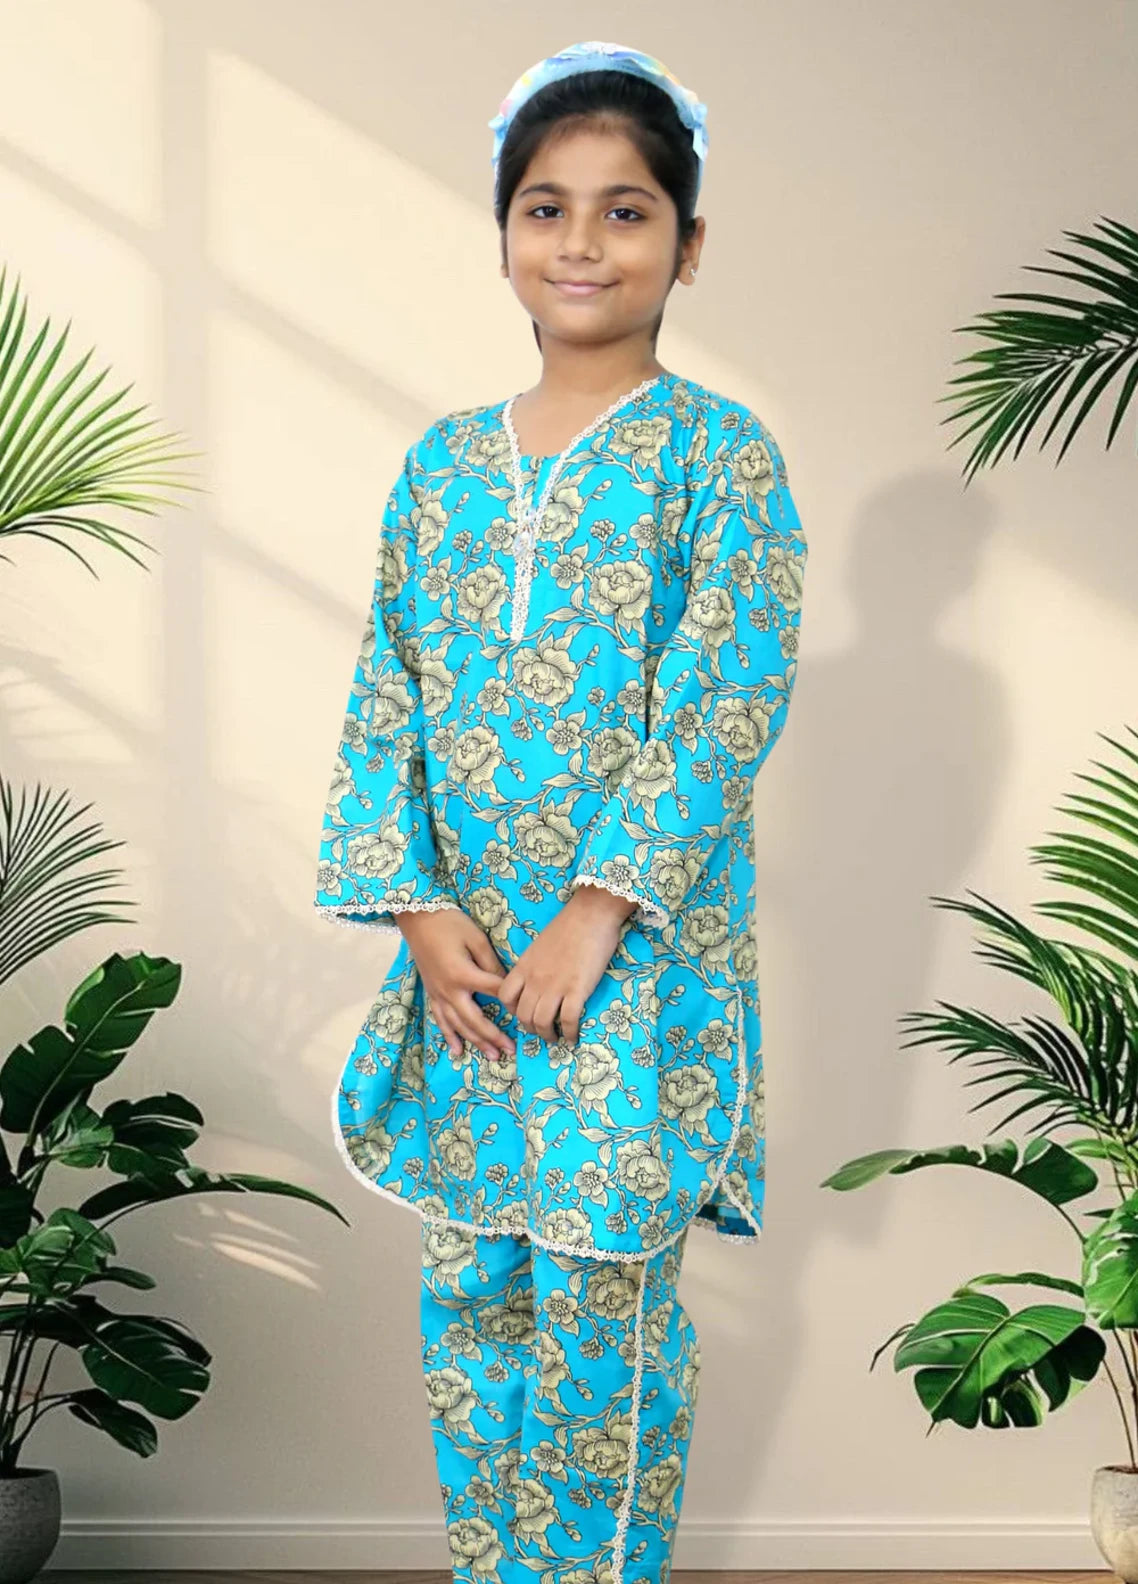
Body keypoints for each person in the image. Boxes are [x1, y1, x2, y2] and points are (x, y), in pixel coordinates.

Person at [315, 39, 808, 1584]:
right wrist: (418, 914)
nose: (581, 242)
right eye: (546, 208)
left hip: (632, 967)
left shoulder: (720, 457)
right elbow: (387, 693)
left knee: (604, 1310)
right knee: (474, 1306)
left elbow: (723, 700)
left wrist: (596, 914)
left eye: (624, 210)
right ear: (503, 235)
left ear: (687, 244)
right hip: (466, 976)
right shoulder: (438, 468)